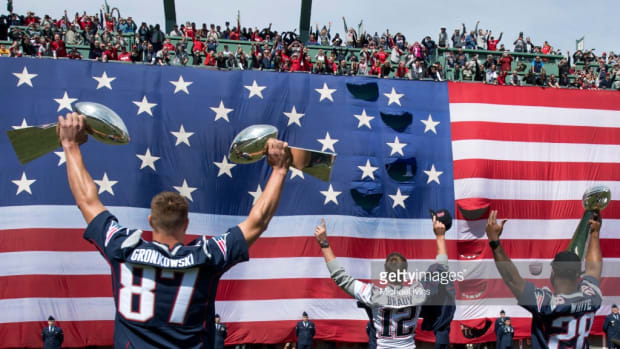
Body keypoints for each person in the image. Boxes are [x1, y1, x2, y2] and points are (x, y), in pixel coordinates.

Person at [56, 112, 292, 348]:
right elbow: (258, 221)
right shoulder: (207, 256)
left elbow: (87, 200)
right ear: (186, 224)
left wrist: (70, 145)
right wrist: (279, 170)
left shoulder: (122, 248)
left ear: (151, 220)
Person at [315, 210, 451, 348]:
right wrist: (440, 236)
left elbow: (340, 277)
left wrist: (324, 243)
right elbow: (442, 270)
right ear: (405, 273)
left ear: (386, 274)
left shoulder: (373, 294)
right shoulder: (418, 293)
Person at [486, 210, 602, 348]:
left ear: (553, 272)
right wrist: (594, 234)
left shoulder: (547, 304)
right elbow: (593, 269)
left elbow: (512, 279)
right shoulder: (592, 296)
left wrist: (494, 242)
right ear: (578, 274)